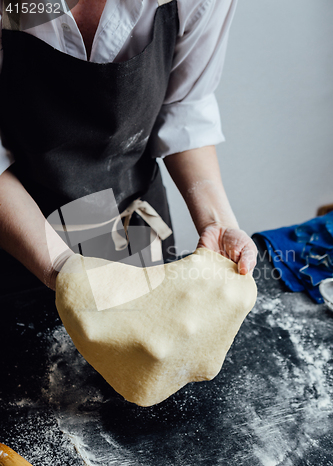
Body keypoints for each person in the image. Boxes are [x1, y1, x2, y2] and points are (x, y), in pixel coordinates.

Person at [0, 0, 257, 295]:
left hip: (130, 229)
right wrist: (64, 270)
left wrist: (218, 222)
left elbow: (184, 105)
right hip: (14, 233)